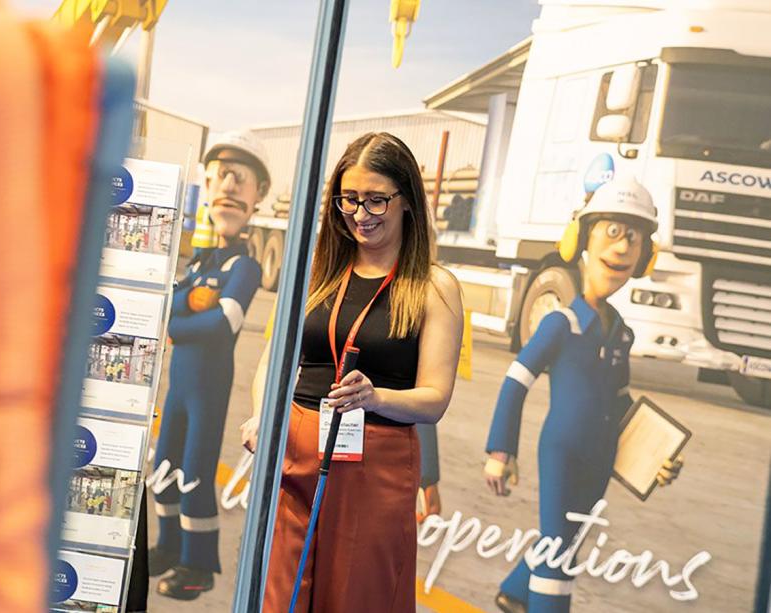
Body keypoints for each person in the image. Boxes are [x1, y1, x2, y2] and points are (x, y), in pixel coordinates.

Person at [243, 132, 463, 612]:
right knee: (282, 594)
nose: (361, 215)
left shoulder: (434, 286)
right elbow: (273, 362)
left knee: (357, 597)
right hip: (295, 453)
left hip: (377, 464)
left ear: (407, 201)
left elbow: (435, 398)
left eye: (377, 201)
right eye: (349, 200)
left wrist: (375, 396)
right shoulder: (315, 273)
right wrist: (264, 415)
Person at [483, 175, 682, 613]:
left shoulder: (620, 333)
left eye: (635, 238)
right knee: (559, 554)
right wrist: (500, 448)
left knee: (568, 538)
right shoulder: (560, 324)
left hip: (602, 457)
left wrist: (656, 456)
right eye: (612, 232)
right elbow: (516, 381)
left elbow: (622, 402)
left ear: (646, 255)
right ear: (580, 241)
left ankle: (515, 593)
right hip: (564, 453)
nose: (624, 247)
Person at [149, 130, 269, 600]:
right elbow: (170, 306)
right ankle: (169, 546)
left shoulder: (246, 268)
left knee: (196, 472)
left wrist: (178, 325)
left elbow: (223, 325)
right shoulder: (200, 266)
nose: (228, 187)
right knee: (164, 467)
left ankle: (199, 564)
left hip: (209, 385)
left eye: (241, 180)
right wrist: (183, 310)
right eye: (220, 177)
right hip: (180, 383)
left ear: (259, 196)